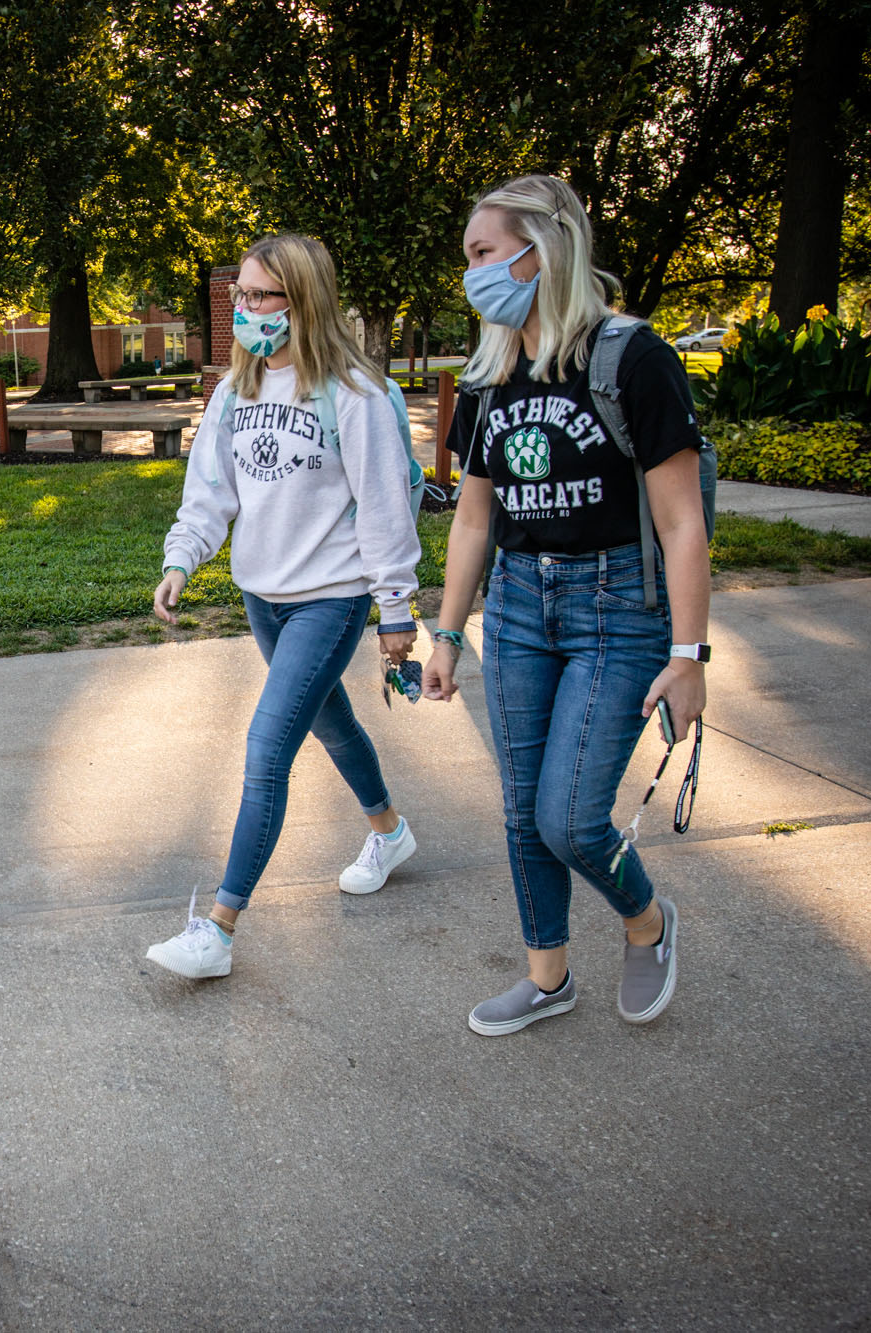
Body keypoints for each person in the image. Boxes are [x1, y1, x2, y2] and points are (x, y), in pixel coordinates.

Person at [421, 175, 709, 1035]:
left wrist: (689, 657)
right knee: (520, 811)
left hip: (618, 609)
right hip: (514, 607)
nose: (471, 273)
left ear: (539, 252)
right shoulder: (487, 373)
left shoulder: (631, 359)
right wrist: (447, 631)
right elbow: (473, 516)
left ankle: (647, 921)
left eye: (483, 253)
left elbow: (682, 521)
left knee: (571, 818)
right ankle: (549, 977)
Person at [146, 233, 424, 979]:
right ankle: (390, 831)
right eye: (239, 295)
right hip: (262, 598)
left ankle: (219, 929)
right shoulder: (235, 391)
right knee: (332, 721)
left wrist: (395, 608)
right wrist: (181, 560)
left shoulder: (355, 394)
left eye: (259, 296)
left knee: (269, 746)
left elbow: (384, 508)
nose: (244, 309)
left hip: (330, 601)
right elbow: (209, 493)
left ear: (302, 300)